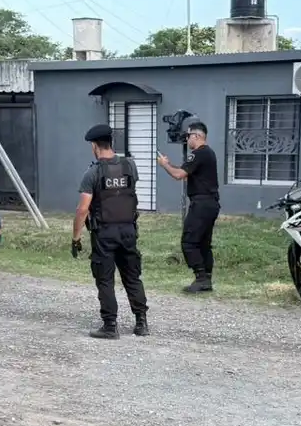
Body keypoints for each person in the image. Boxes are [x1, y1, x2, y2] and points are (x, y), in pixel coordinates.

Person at [73, 123, 147, 339]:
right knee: (132, 276)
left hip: (104, 233)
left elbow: (83, 209)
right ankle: (141, 322)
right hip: (128, 230)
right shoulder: (130, 166)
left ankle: (110, 325)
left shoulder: (93, 172)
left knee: (105, 279)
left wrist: (76, 237)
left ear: (95, 146)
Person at [158, 118, 219, 293]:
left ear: (197, 136)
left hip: (201, 204)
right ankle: (206, 280)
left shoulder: (199, 153)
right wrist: (170, 165)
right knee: (203, 243)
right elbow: (185, 173)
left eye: (189, 136)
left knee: (189, 242)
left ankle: (200, 277)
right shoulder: (208, 153)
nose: (187, 139)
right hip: (210, 203)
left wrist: (164, 165)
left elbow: (178, 175)